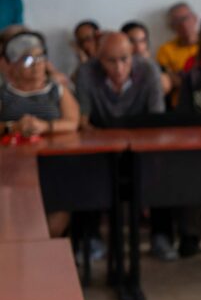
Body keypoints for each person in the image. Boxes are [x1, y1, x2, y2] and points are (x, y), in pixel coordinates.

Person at [76, 32, 169, 258]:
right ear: (99, 58)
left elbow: (157, 119)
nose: (119, 67)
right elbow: (82, 121)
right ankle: (91, 239)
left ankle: (161, 235)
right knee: (82, 169)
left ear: (133, 56)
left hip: (141, 143)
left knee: (164, 166)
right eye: (111, 60)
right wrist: (105, 138)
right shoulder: (86, 73)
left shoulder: (148, 71)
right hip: (100, 145)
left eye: (125, 59)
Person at [0, 31, 79, 237]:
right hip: (11, 165)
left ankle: (49, 241)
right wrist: (13, 127)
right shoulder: (3, 91)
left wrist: (45, 127)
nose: (36, 65)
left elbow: (72, 122)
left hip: (52, 163)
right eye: (27, 60)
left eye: (40, 58)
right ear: (13, 64)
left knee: (61, 200)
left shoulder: (56, 89)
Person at [156, 2, 199, 104]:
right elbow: (166, 81)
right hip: (180, 106)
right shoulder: (165, 50)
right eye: (177, 21)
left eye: (185, 18)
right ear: (172, 26)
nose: (183, 24)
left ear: (195, 18)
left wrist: (180, 79)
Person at [122, 21, 172, 96]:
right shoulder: (117, 68)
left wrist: (147, 64)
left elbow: (164, 88)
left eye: (142, 41)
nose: (138, 47)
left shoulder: (156, 67)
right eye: (132, 41)